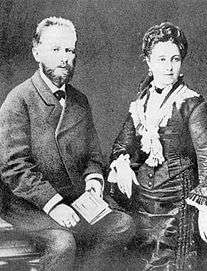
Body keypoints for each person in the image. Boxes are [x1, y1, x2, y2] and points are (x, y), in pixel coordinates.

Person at [0, 17, 135, 271]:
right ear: (36, 52)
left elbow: (93, 155)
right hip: (30, 206)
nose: (64, 58)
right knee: (63, 244)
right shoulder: (18, 100)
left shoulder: (79, 101)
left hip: (74, 199)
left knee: (122, 225)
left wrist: (94, 183)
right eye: (56, 49)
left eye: (69, 50)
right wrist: (53, 204)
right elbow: (15, 167)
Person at [107, 22, 207, 271]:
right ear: (148, 61)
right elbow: (122, 143)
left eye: (175, 58)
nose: (169, 67)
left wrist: (204, 209)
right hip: (143, 203)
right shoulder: (140, 103)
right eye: (161, 59)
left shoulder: (192, 103)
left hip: (178, 205)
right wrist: (123, 164)